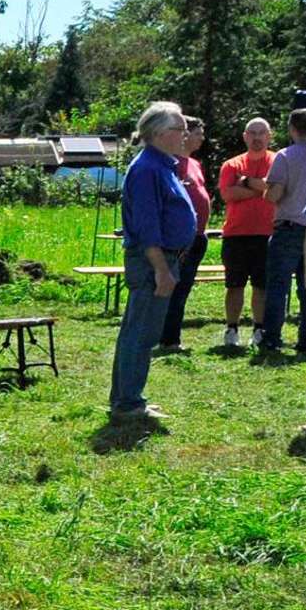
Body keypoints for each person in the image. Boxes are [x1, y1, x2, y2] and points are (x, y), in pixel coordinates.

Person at [110, 101, 194, 426]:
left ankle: (126, 397)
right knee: (141, 332)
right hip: (152, 261)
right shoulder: (147, 169)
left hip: (162, 259)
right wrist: (161, 268)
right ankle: (128, 403)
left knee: (139, 330)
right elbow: (147, 226)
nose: (185, 134)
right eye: (179, 128)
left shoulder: (161, 165)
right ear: (159, 133)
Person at [218, 117, 277, 348]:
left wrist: (244, 182)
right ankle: (231, 329)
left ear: (269, 136)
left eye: (262, 133)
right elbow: (228, 194)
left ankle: (259, 328)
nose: (257, 137)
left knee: (261, 285)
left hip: (268, 233)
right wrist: (261, 188)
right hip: (236, 234)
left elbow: (278, 190)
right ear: (245, 136)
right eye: (252, 133)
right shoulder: (231, 165)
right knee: (234, 285)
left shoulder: (277, 161)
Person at [261, 107, 306, 361]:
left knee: (278, 285)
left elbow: (275, 194)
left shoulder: (285, 156)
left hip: (289, 226)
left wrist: (264, 189)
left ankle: (271, 339)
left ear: (293, 129)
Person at [158, 116, 212, 352]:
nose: (202, 138)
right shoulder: (171, 164)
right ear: (185, 134)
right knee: (175, 288)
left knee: (184, 287)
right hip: (181, 238)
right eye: (198, 133)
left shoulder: (194, 164)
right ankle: (168, 339)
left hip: (198, 236)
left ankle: (171, 336)